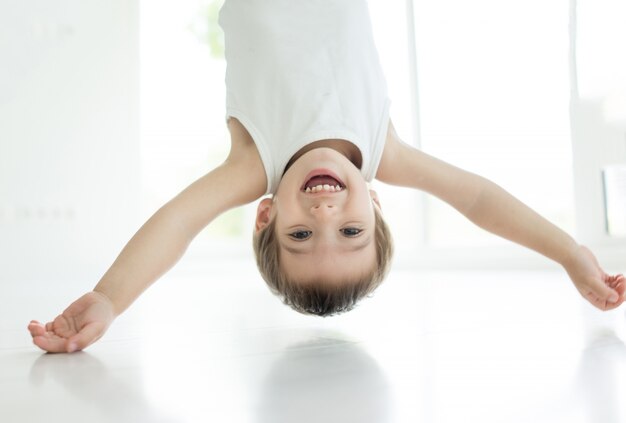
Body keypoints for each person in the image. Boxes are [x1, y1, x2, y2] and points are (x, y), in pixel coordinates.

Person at [28, 0, 624, 353]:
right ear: (376, 205)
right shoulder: (381, 151)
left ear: (266, 215)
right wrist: (569, 252)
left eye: (300, 237)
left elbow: (179, 222)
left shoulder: (255, 163)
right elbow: (477, 197)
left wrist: (110, 296)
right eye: (351, 233)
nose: (324, 218)